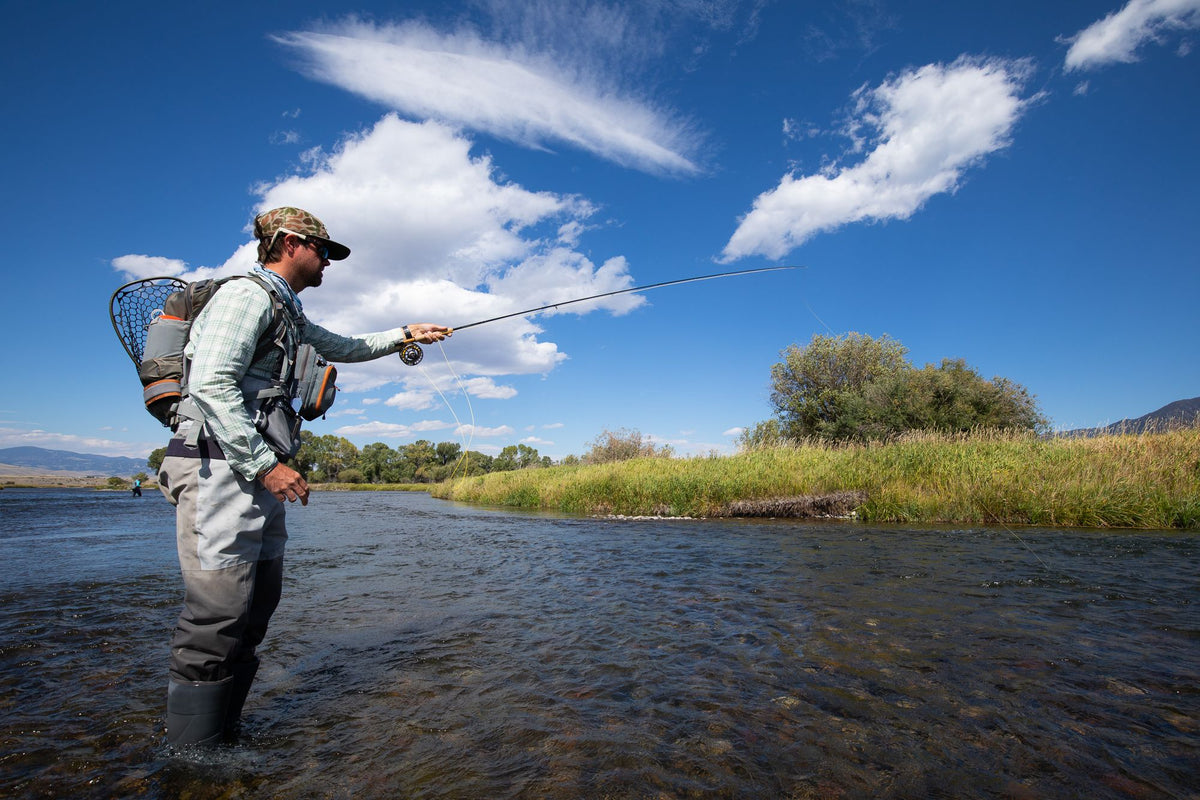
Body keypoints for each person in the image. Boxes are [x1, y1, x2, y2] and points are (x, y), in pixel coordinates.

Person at [156, 206, 450, 746]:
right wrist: (268, 467)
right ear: (291, 243)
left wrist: (409, 332)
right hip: (221, 467)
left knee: (255, 609)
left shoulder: (287, 312)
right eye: (324, 251)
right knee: (216, 617)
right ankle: (189, 758)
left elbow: (347, 347)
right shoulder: (247, 296)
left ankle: (225, 736)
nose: (328, 263)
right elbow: (214, 385)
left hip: (249, 473)